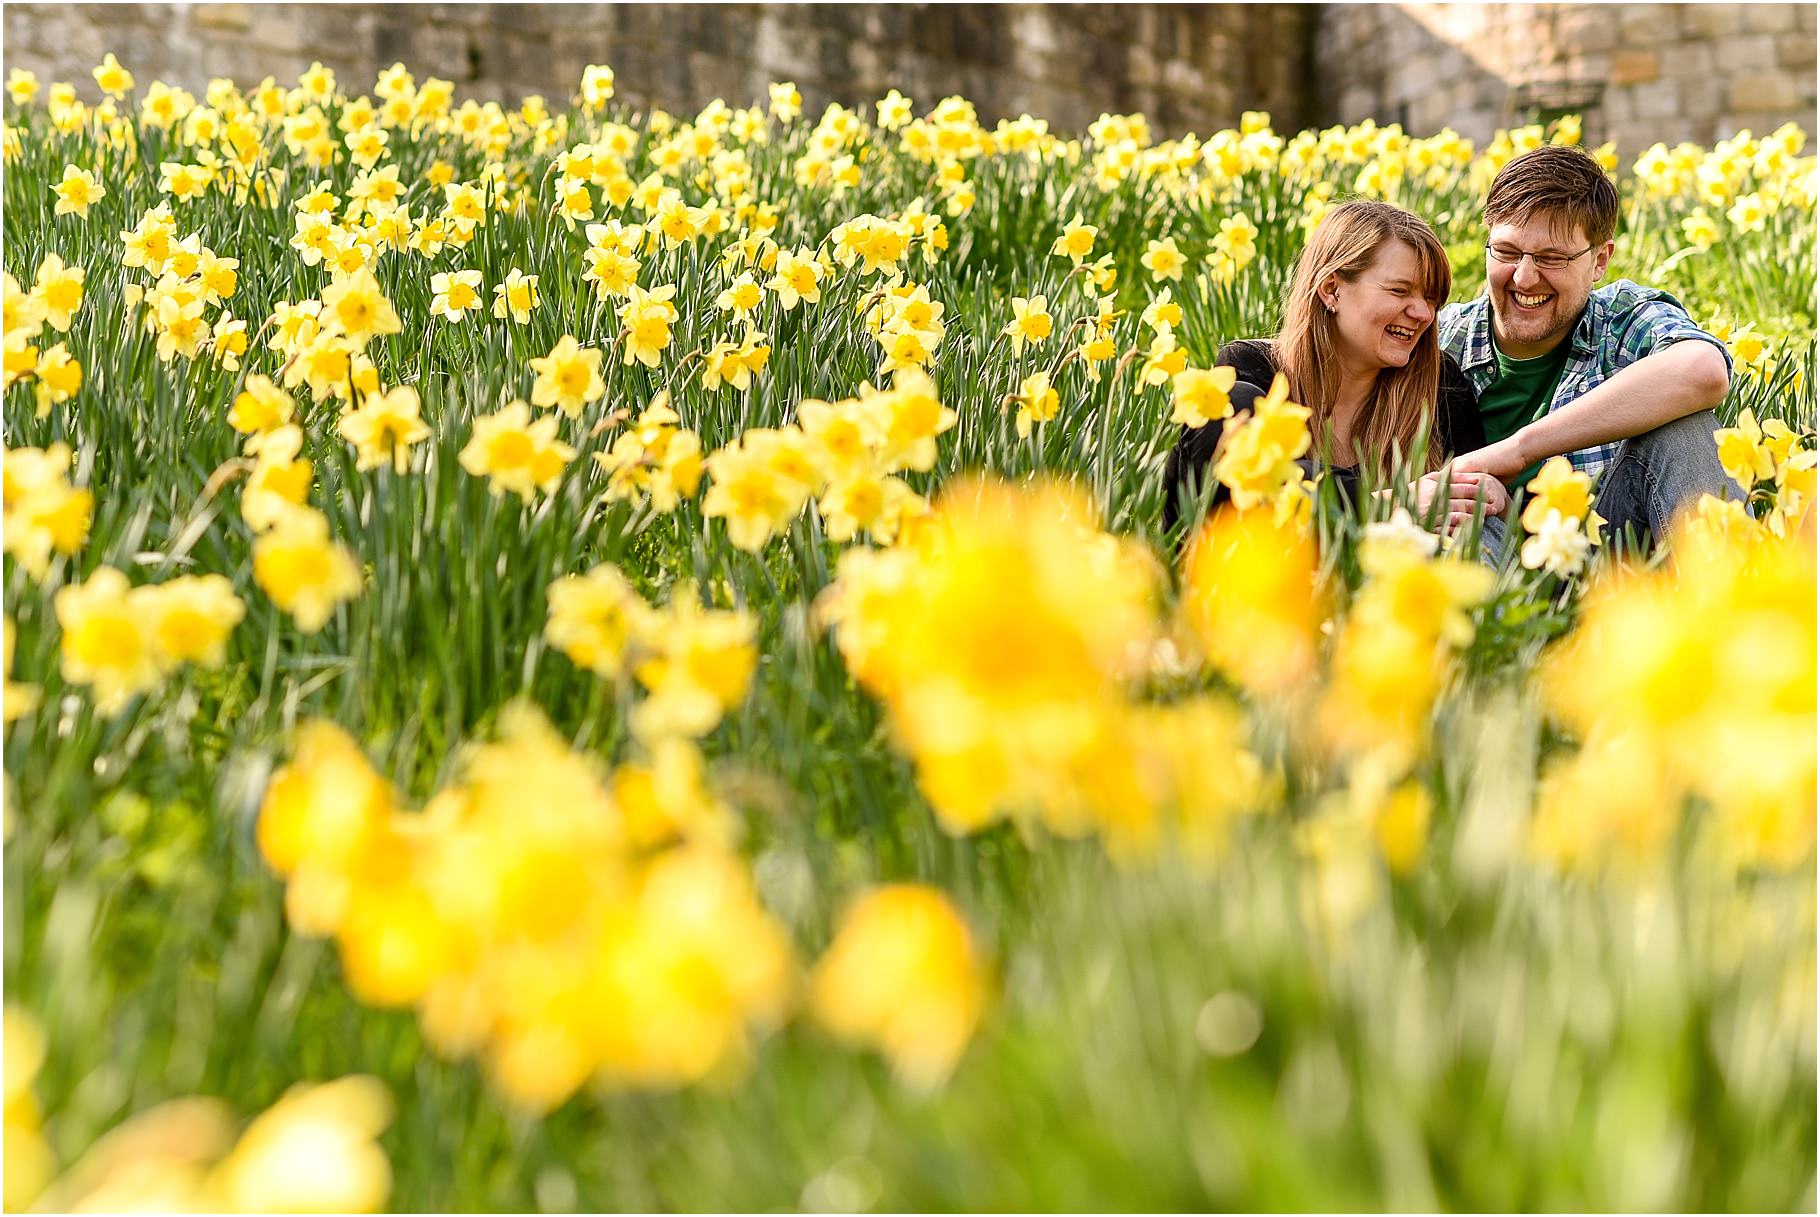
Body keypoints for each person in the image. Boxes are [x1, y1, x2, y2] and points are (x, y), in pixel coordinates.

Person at [1441, 144, 1736, 548]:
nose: (1524, 279)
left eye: (1552, 258)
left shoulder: (1621, 318)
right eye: (1507, 252)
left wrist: (1519, 450)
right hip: (1489, 569)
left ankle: (1731, 604)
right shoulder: (1442, 340)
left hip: (1610, 563)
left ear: (1600, 260)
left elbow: (1704, 371)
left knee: (1686, 431)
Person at [1163, 199, 1502, 535]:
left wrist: (1492, 494)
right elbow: (1258, 488)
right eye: (1400, 291)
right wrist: (1393, 504)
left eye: (1431, 298)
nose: (1423, 314)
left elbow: (1473, 502)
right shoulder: (1249, 372)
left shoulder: (1439, 384)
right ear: (1331, 289)